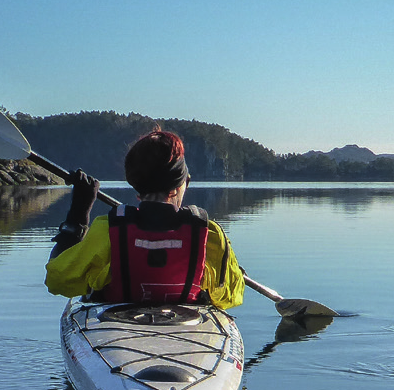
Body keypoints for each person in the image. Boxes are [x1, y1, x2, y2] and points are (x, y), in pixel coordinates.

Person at [44, 129, 244, 309]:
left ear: (136, 184)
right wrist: (233, 272)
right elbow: (231, 297)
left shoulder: (107, 230)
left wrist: (78, 215)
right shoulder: (210, 235)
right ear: (183, 183)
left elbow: (57, 280)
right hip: (186, 332)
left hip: (114, 334)